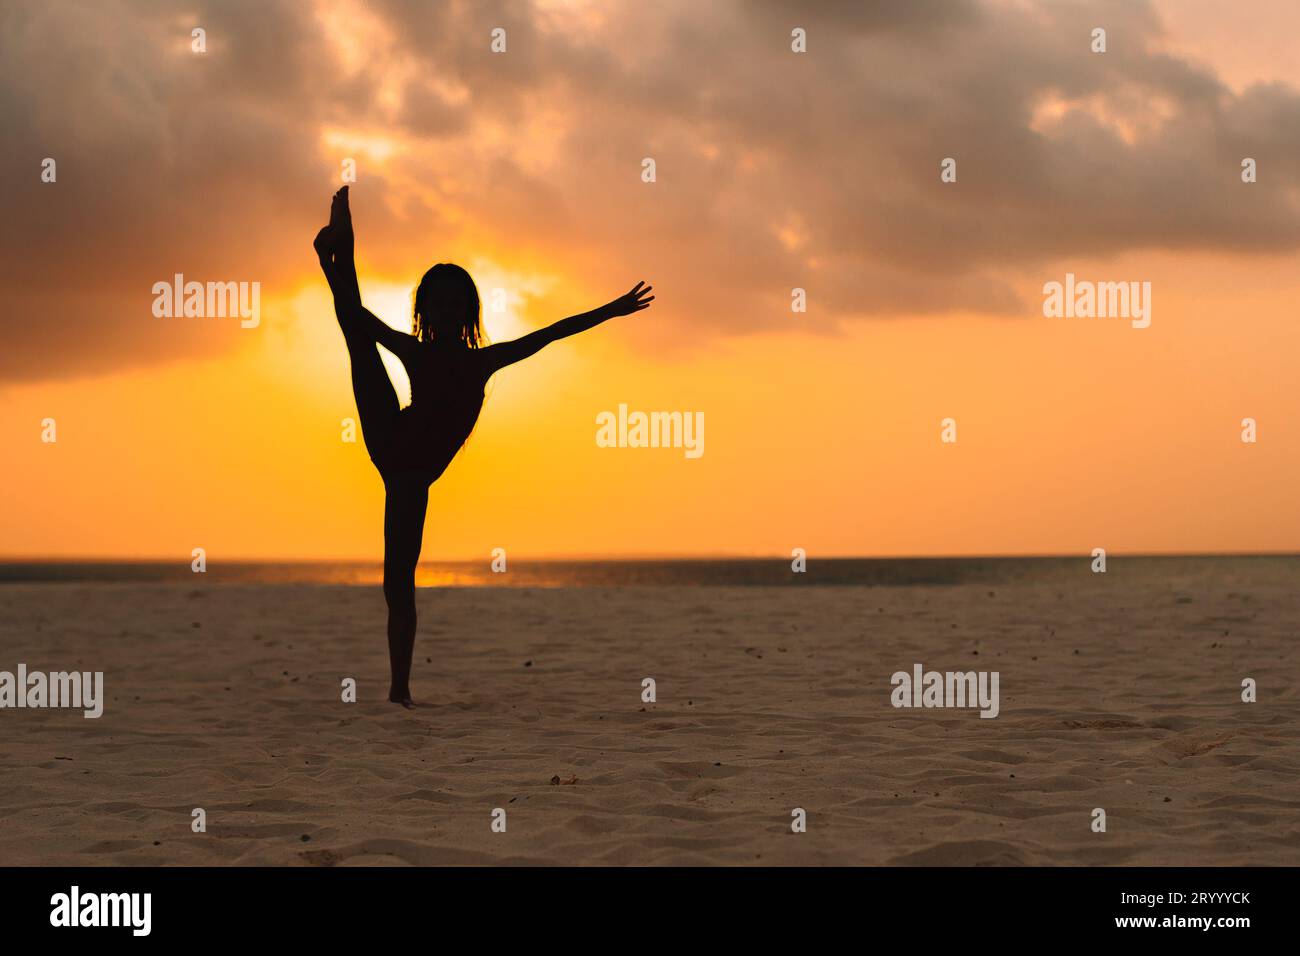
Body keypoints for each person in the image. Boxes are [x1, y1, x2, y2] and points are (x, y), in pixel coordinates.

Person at [313, 186, 654, 707]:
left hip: (409, 469)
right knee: (356, 335)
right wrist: (335, 272)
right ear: (425, 311)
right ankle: (339, 248)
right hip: (395, 452)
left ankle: (335, 251)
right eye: (438, 305)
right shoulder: (416, 350)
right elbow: (359, 320)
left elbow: (551, 333)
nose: (447, 313)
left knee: (398, 586)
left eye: (456, 305)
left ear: (467, 312)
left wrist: (611, 310)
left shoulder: (482, 362)